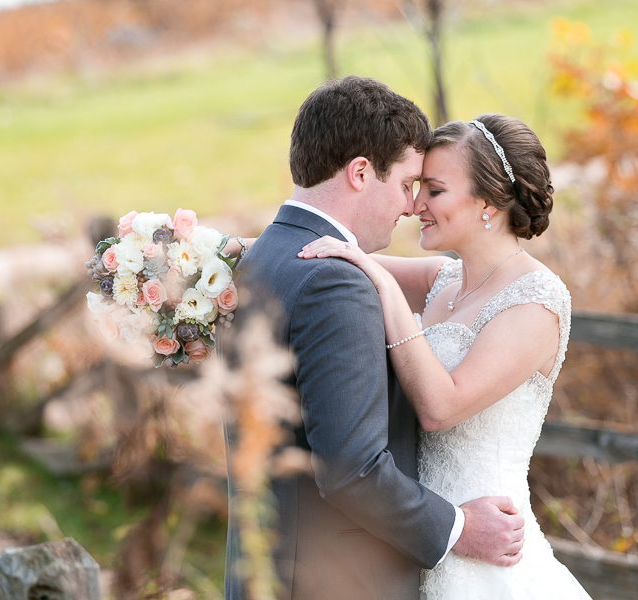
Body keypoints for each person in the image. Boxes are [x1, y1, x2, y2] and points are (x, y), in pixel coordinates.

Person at [223, 78, 526, 600]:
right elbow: (350, 470)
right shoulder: (333, 281)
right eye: (409, 183)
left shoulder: (262, 256)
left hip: (268, 568)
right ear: (361, 172)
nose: (412, 206)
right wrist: (459, 527)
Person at [299, 113, 592, 599]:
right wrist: (209, 251)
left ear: (488, 202)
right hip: (418, 538)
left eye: (433, 190)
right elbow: (318, 253)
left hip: (487, 551)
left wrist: (387, 291)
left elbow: (440, 408)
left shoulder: (537, 300)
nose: (415, 205)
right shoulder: (445, 279)